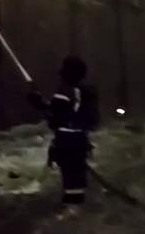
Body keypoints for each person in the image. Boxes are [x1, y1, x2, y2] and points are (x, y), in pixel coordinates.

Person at [28, 55, 100, 206]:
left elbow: (55, 116)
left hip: (67, 143)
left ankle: (72, 211)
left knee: (71, 183)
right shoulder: (83, 92)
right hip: (80, 141)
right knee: (77, 182)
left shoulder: (65, 92)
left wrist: (37, 103)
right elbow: (64, 112)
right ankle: (77, 209)